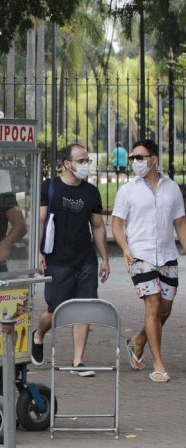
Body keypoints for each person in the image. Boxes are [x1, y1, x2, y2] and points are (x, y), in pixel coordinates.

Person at [31, 143, 110, 377]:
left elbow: (97, 226)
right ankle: (39, 334)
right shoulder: (50, 187)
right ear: (67, 164)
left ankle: (78, 362)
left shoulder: (91, 192)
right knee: (56, 310)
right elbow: (40, 220)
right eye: (81, 161)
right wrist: (38, 252)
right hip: (57, 259)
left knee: (84, 307)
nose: (86, 165)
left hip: (85, 258)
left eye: (87, 160)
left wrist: (104, 258)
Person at [111, 139, 186, 383]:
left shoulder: (171, 188)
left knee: (164, 309)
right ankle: (158, 364)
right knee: (152, 305)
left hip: (167, 254)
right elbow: (118, 223)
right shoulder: (128, 190)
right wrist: (124, 248)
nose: (135, 162)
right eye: (133, 158)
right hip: (140, 254)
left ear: (153, 159)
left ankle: (138, 341)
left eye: (139, 158)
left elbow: (180, 223)